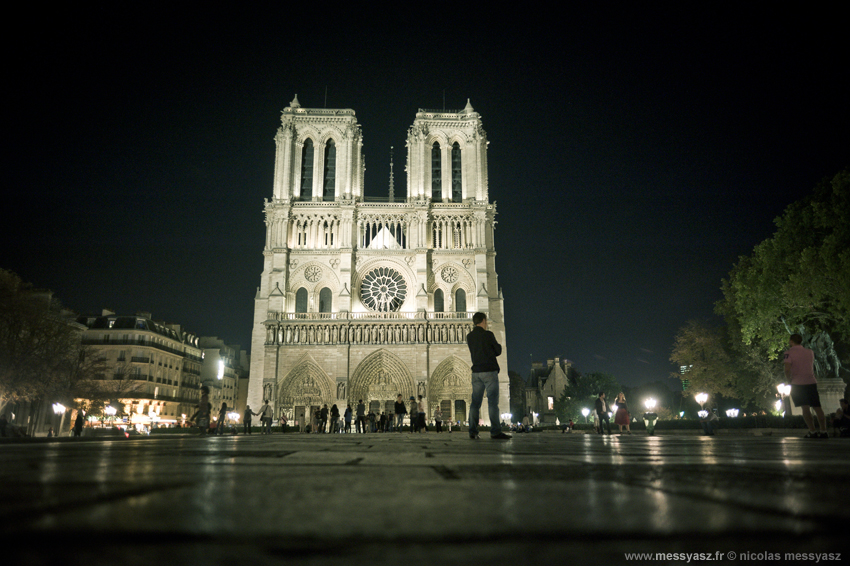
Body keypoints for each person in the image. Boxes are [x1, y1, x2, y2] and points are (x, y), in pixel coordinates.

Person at [466, 312, 511, 440]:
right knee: (492, 403)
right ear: (484, 321)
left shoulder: (469, 337)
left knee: (475, 403)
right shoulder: (488, 335)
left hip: (476, 373)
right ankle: (495, 431)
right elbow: (497, 350)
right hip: (489, 371)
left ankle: (473, 431)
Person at [784, 333, 828, 438]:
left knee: (805, 408)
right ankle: (824, 430)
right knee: (817, 407)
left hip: (797, 383)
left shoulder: (788, 353)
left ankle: (812, 431)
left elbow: (787, 369)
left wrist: (789, 380)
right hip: (811, 381)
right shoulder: (810, 352)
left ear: (791, 341)